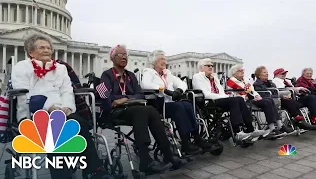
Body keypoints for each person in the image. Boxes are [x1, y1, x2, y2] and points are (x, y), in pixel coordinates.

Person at [11, 34, 112, 179]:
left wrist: (67, 107)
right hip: (32, 113)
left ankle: (95, 171)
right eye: (41, 47)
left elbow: (67, 90)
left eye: (48, 47)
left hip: (61, 112)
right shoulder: (21, 67)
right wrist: (50, 108)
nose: (47, 50)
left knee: (79, 122)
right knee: (56, 129)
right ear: (30, 52)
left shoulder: (60, 68)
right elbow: (24, 94)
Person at [100, 45, 185, 175]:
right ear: (112, 58)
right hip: (115, 112)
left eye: (125, 55)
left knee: (151, 110)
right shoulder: (105, 75)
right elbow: (103, 94)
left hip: (132, 108)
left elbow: (140, 94)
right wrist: (115, 101)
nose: (124, 57)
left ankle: (168, 154)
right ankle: (145, 161)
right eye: (120, 55)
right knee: (142, 111)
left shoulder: (131, 76)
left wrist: (125, 98)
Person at [141, 50, 213, 155]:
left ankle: (197, 138)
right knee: (178, 107)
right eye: (161, 59)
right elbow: (145, 85)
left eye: (165, 59)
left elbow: (182, 83)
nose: (164, 61)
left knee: (187, 105)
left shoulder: (167, 74)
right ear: (154, 61)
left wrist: (179, 90)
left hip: (170, 103)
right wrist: (163, 90)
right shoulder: (149, 72)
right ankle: (185, 143)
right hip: (158, 104)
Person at [192, 59, 270, 141]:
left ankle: (250, 128)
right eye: (208, 65)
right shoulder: (197, 77)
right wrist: (225, 97)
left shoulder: (214, 78)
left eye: (212, 65)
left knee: (239, 99)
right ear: (201, 68)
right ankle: (237, 132)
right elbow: (206, 94)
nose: (211, 67)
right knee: (234, 100)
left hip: (219, 100)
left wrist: (226, 97)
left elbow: (221, 91)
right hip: (208, 102)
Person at [226, 64, 289, 137]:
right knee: (267, 102)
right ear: (234, 73)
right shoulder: (231, 82)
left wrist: (257, 95)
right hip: (244, 101)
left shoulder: (245, 80)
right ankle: (272, 128)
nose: (242, 72)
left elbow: (252, 90)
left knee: (270, 100)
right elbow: (231, 94)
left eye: (243, 70)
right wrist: (245, 96)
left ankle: (280, 125)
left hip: (252, 98)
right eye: (240, 71)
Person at [253, 66, 295, 135]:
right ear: (259, 75)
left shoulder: (271, 83)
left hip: (272, 100)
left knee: (273, 100)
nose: (267, 74)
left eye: (267, 72)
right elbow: (264, 95)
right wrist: (276, 96)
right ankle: (273, 127)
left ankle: (280, 125)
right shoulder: (256, 84)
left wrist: (280, 96)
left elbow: (276, 93)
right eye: (264, 72)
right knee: (270, 101)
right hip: (262, 100)